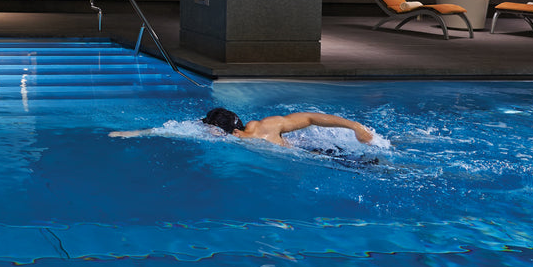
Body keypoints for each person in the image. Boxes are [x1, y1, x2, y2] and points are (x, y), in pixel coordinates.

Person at [110, 106, 377, 147]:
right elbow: (175, 129)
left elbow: (309, 117)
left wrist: (354, 126)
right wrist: (135, 132)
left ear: (215, 130)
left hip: (328, 157)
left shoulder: (263, 128)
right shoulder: (247, 131)